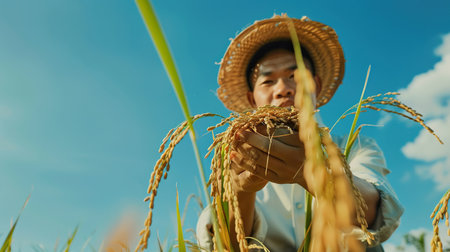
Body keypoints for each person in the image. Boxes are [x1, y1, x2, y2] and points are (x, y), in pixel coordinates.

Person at [197, 15, 403, 251]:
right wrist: (240, 190)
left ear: (314, 85)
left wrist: (313, 172)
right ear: (251, 99)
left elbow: (373, 212)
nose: (283, 89)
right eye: (268, 81)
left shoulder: (356, 146)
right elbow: (227, 244)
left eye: (295, 76)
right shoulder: (236, 159)